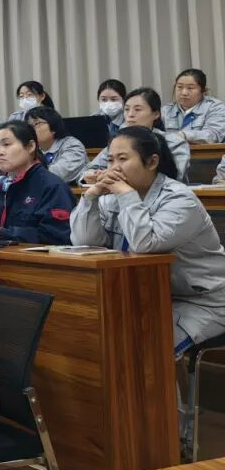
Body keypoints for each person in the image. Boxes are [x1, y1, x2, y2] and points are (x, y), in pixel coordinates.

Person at [71, 127, 225, 360]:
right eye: (111, 160)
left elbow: (146, 244)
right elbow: (85, 244)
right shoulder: (111, 198)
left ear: (152, 162)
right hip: (147, 297)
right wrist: (91, 196)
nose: (114, 168)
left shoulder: (179, 198)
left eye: (123, 159)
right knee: (93, 337)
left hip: (201, 302)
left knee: (143, 351)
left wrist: (125, 194)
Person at [0, 121, 74, 245]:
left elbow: (56, 235)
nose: (0, 152)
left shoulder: (52, 187)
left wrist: (3, 234)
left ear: (31, 146)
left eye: (6, 144)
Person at [82, 87, 190, 184]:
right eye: (127, 109)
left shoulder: (174, 142)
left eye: (137, 109)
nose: (130, 115)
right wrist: (92, 175)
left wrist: (116, 177)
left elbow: (176, 177)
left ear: (156, 114)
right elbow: (89, 169)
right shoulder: (119, 141)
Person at [25, 106, 88, 184]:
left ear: (53, 127)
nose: (31, 129)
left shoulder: (73, 145)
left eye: (36, 123)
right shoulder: (32, 149)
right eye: (29, 126)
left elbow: (60, 173)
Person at [163, 68, 225, 143]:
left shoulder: (215, 107)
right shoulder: (166, 110)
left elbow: (213, 135)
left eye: (190, 88)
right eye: (179, 87)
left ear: (203, 91)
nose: (184, 93)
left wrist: (184, 135)